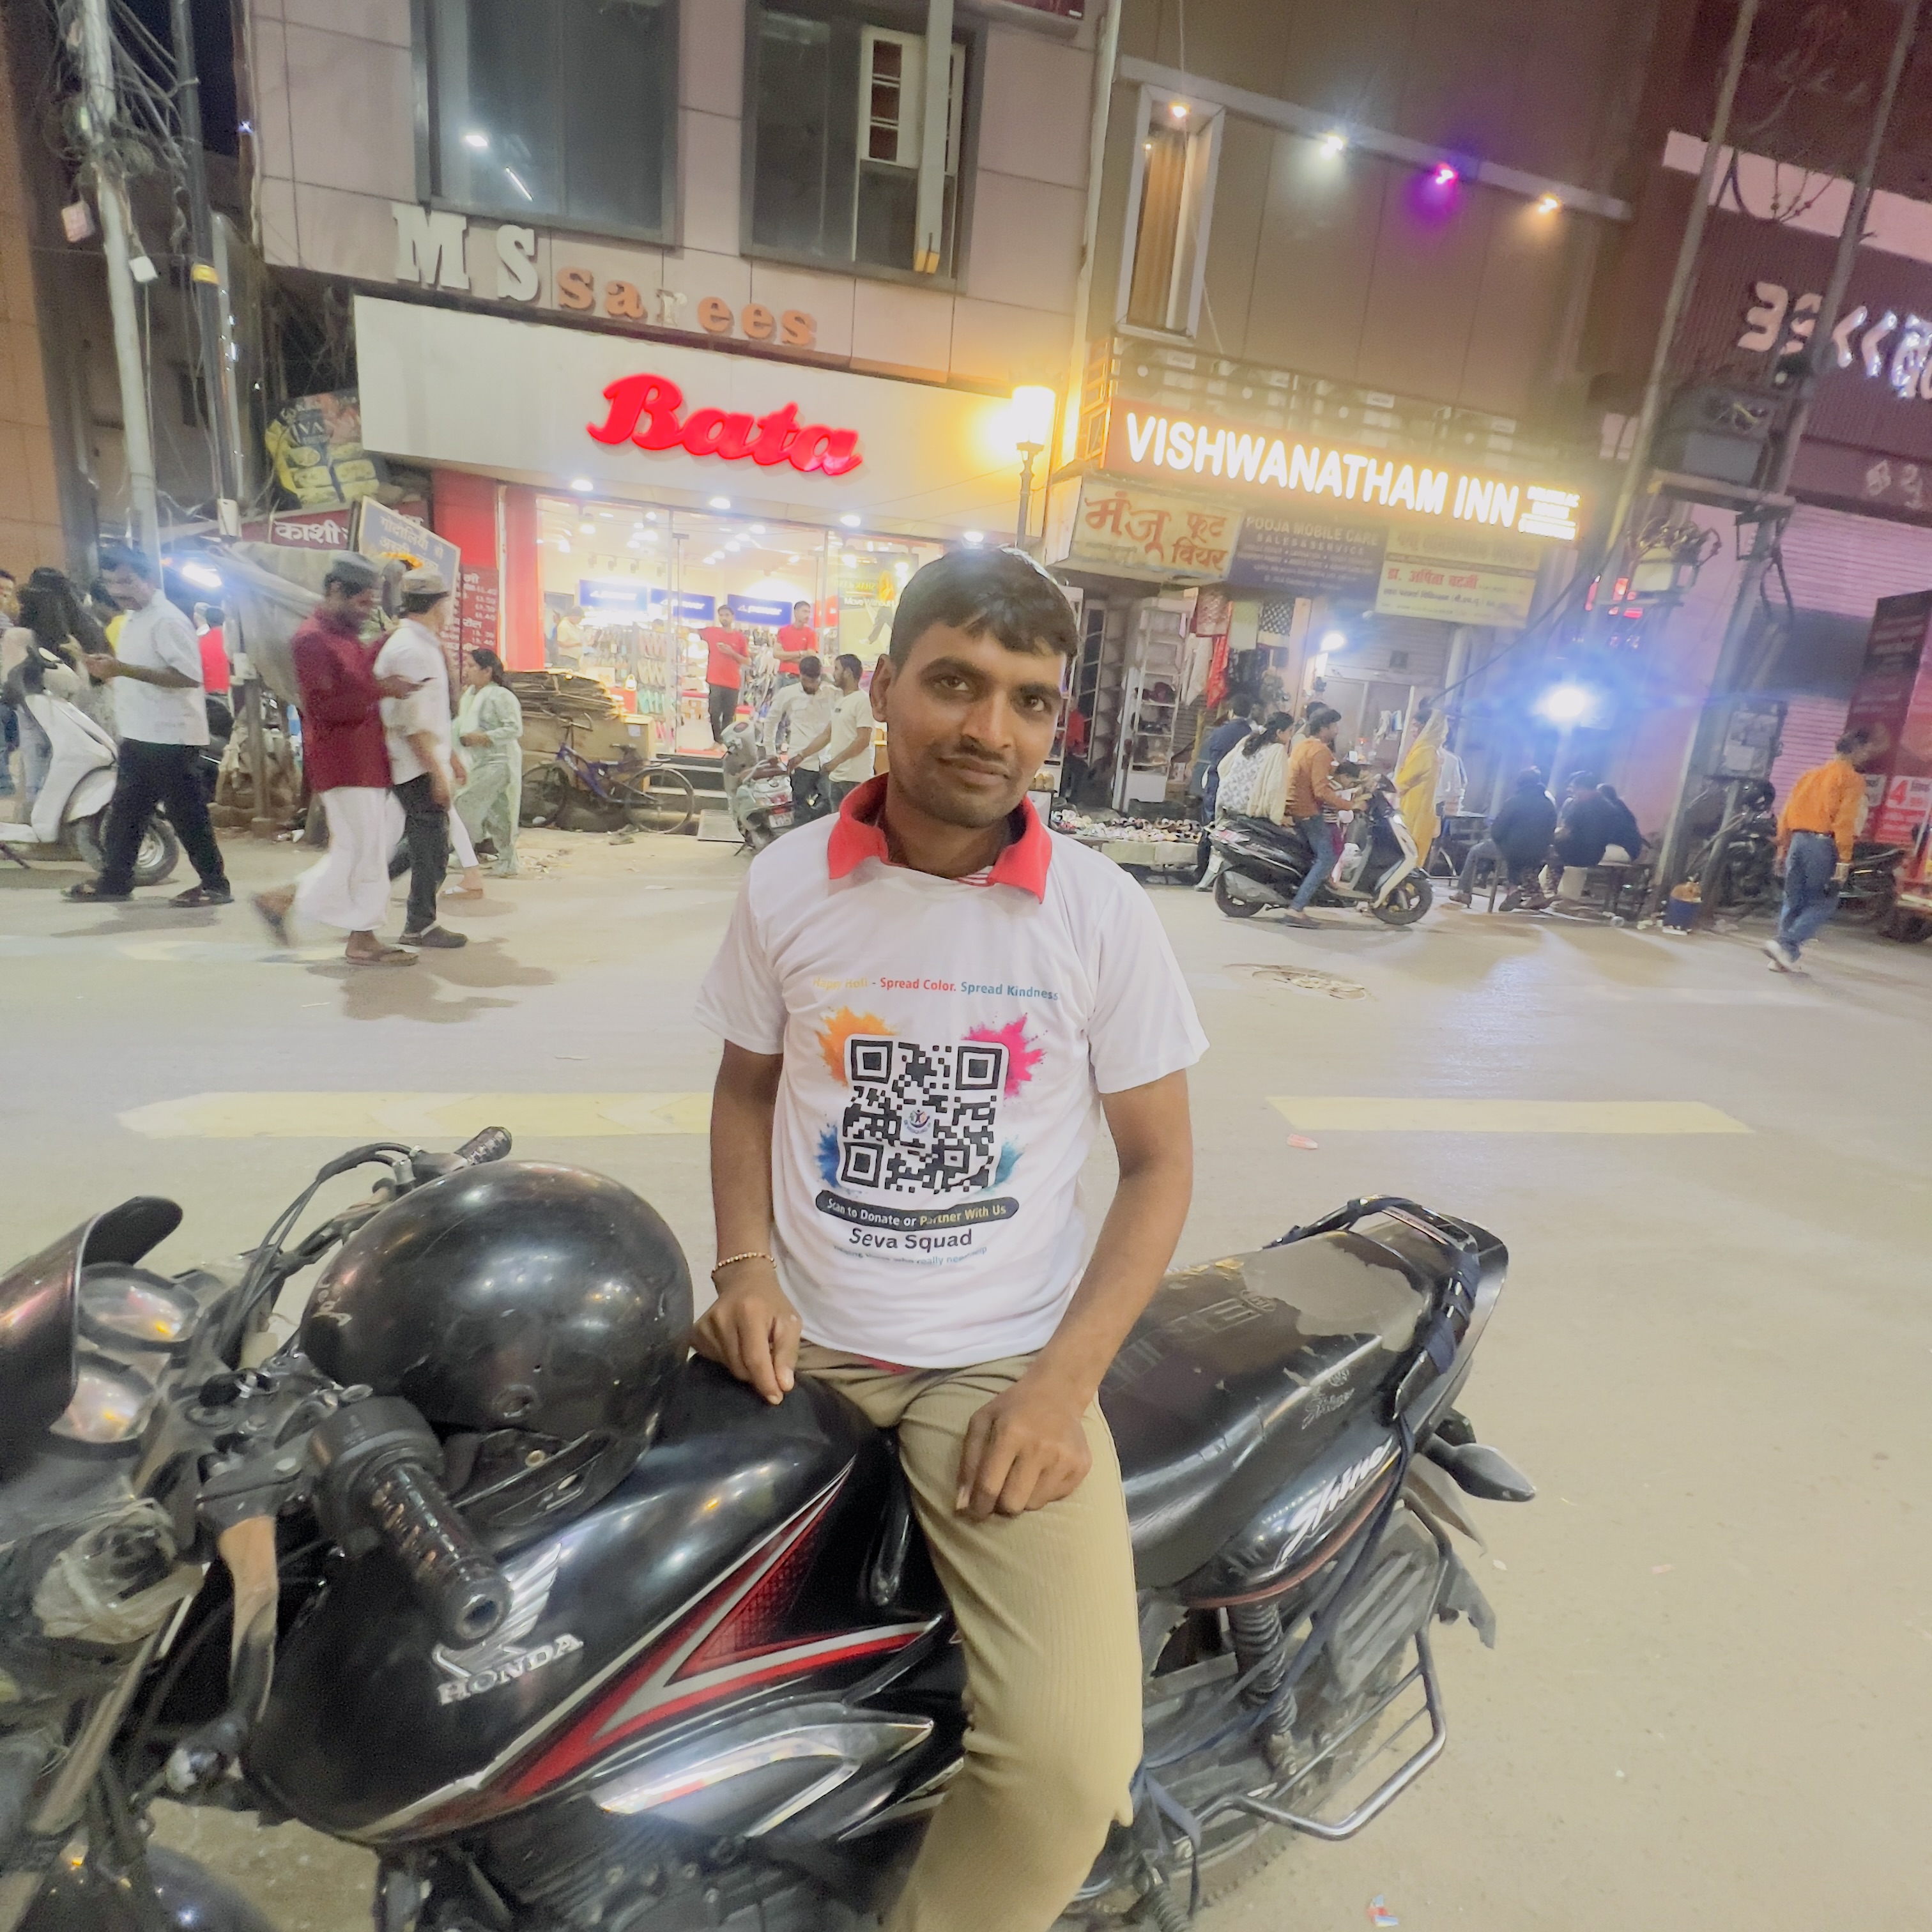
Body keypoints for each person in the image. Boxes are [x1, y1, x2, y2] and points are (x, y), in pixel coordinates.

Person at [694, 546, 1204, 1932]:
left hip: (995, 1364)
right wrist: (742, 1268)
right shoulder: (788, 884)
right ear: (882, 689)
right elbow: (746, 1089)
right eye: (956, 683)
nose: (990, 728)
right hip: (797, 1348)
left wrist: (1058, 1389)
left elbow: (1159, 1165)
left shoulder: (1097, 912)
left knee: (1066, 1766)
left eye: (1028, 700)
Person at [253, 554, 420, 967]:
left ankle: (284, 900)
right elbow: (324, 707)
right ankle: (359, 937)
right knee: (365, 853)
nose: (366, 612)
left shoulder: (345, 637)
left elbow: (356, 678)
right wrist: (383, 690)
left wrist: (383, 649)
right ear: (335, 591)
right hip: (343, 761)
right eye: (362, 603)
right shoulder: (312, 640)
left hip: (365, 759)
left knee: (364, 850)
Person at [65, 548, 229, 907]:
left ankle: (215, 885)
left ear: (149, 579)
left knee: (187, 815)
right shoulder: (134, 619)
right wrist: (109, 670)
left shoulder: (167, 620)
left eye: (127, 581)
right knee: (126, 812)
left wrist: (122, 669)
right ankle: (116, 881)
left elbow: (187, 677)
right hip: (141, 734)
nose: (119, 590)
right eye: (112, 583)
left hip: (171, 737)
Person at [375, 567, 467, 949]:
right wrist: (437, 772)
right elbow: (411, 724)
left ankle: (367, 893)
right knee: (431, 845)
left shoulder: (421, 644)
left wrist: (450, 758)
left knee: (423, 843)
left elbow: (431, 718)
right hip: (413, 763)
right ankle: (418, 923)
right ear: (438, 604)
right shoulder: (411, 649)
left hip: (422, 758)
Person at [1766, 730, 1869, 972]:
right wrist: (1844, 859)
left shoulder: (1809, 776)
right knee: (1823, 902)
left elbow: (1787, 813)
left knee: (1793, 899)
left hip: (1797, 842)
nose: (1866, 756)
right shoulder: (1852, 779)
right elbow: (1844, 821)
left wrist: (1782, 848)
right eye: (1865, 751)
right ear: (1855, 751)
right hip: (1822, 845)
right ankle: (1785, 944)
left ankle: (1781, 959)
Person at [452, 648, 523, 879]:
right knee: (497, 813)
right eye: (466, 665)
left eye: (472, 666)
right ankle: (505, 860)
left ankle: (467, 854)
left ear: (487, 671)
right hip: (479, 760)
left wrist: (484, 738)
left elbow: (514, 728)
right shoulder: (470, 695)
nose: (466, 671)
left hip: (500, 761)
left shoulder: (500, 696)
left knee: (465, 802)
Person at [1282, 702, 1353, 926]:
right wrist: (1349, 805)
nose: (1337, 731)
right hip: (1307, 811)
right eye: (1334, 726)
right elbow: (1321, 790)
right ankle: (1296, 908)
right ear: (1324, 728)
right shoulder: (1321, 751)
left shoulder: (1302, 745)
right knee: (1328, 857)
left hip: (1293, 807)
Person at [1448, 769, 1557, 907]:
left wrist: (1500, 840)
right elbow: (1552, 829)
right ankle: (1517, 891)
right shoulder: (1548, 804)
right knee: (1520, 859)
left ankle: (1464, 892)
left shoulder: (1514, 801)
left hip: (1512, 848)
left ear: (1519, 783)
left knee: (1476, 851)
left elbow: (1497, 831)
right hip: (1540, 851)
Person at [765, 652, 837, 819]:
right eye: (806, 681)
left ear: (820, 677)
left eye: (814, 681)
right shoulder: (788, 693)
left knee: (830, 803)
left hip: (827, 760)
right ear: (800, 675)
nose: (810, 685)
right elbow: (771, 721)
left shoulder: (832, 693)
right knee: (798, 806)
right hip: (800, 762)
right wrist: (770, 752)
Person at [1193, 695, 1254, 877]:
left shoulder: (1219, 733)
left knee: (1210, 828)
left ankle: (1202, 872)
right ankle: (1226, 875)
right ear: (1249, 713)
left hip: (1216, 786)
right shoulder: (1253, 736)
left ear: (1231, 712)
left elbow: (1212, 758)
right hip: (1240, 792)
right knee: (1234, 833)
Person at [700, 619, 750, 742]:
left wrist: (731, 653)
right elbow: (693, 631)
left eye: (727, 615)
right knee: (714, 712)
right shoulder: (712, 632)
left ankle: (725, 742)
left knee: (729, 715)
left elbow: (747, 661)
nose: (724, 618)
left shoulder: (739, 637)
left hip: (732, 682)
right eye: (722, 615)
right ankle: (718, 741)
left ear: (732, 617)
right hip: (715, 680)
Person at [1597, 781, 1643, 862]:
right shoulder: (1618, 807)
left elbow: (1607, 835)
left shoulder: (1614, 811)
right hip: (1619, 848)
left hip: (1625, 850)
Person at [774, 599, 818, 674]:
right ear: (796, 612)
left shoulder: (811, 633)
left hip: (799, 675)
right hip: (782, 674)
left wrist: (785, 657)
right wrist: (800, 653)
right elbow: (776, 654)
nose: (807, 615)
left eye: (809, 612)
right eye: (804, 612)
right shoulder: (783, 631)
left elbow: (810, 658)